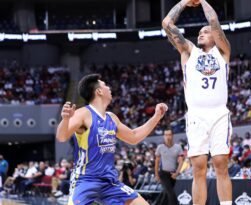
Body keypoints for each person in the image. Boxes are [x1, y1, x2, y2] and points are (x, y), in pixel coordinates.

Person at [56, 74, 168, 205]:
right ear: (98, 91)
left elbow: (134, 137)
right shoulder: (83, 114)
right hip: (86, 180)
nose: (109, 88)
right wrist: (65, 119)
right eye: (105, 85)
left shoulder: (112, 118)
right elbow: (62, 136)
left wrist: (156, 116)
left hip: (109, 182)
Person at [162, 0, 233, 204]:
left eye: (206, 32)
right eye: (200, 32)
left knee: (221, 163)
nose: (201, 33)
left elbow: (213, 20)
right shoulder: (188, 51)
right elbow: (167, 23)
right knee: (199, 167)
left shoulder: (223, 52)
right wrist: (184, 2)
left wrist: (202, 1)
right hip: (196, 115)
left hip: (219, 113)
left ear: (215, 36)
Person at [154, 128, 184, 205]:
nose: (168, 137)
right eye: (166, 135)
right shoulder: (160, 147)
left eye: (169, 135)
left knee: (166, 193)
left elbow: (181, 161)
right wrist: (156, 175)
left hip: (173, 174)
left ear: (172, 136)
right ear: (164, 136)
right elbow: (157, 162)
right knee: (170, 192)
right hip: (163, 174)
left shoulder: (178, 147)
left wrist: (177, 173)